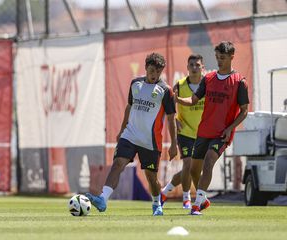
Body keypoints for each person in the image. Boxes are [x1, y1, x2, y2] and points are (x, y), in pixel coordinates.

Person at [86, 53, 178, 216]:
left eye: (157, 71)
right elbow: (129, 107)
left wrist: (173, 144)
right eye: (151, 70)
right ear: (146, 68)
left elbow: (171, 118)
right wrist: (122, 130)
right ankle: (103, 199)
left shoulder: (165, 91)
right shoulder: (135, 84)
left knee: (151, 177)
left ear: (161, 71)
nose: (154, 74)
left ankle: (156, 203)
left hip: (150, 141)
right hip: (129, 135)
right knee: (118, 164)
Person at [175, 41, 249, 215]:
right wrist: (177, 99)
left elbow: (244, 111)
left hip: (221, 133)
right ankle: (204, 199)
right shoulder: (208, 79)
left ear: (232, 57)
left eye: (222, 58)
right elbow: (193, 100)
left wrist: (230, 128)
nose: (219, 61)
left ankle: (197, 204)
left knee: (208, 162)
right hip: (204, 131)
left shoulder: (239, 82)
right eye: (217, 57)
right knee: (194, 169)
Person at [160, 54, 205, 209]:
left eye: (197, 65)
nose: (194, 68)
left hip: (203, 134)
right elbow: (169, 108)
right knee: (187, 164)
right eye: (191, 65)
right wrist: (176, 120)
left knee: (195, 169)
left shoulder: (208, 85)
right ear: (187, 67)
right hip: (185, 131)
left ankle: (165, 192)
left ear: (202, 67)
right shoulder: (179, 85)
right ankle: (187, 199)